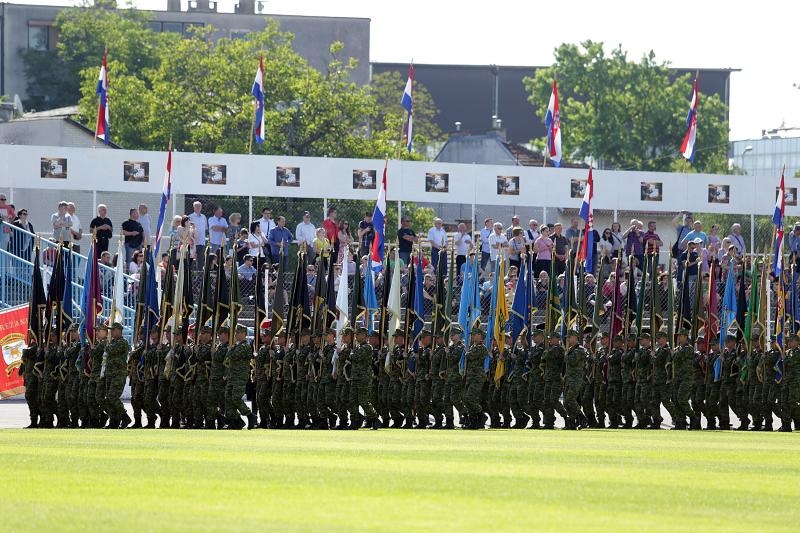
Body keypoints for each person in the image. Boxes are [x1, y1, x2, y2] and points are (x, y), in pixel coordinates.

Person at [188, 201, 208, 269]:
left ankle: (200, 274)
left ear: (201, 207)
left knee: (201, 260)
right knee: (191, 259)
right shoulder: (190, 217)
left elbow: (205, 228)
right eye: (196, 206)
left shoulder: (204, 217)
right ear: (193, 207)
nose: (198, 207)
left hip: (202, 242)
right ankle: (191, 273)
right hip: (192, 242)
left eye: (199, 206)